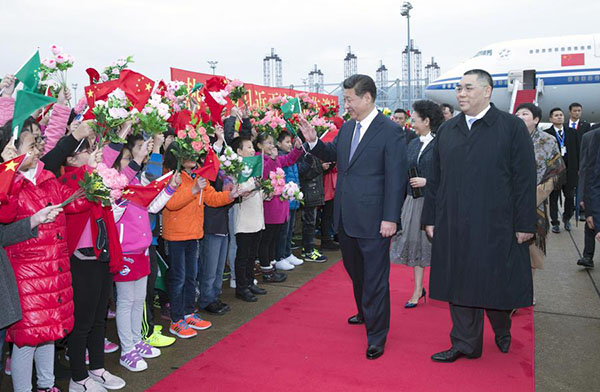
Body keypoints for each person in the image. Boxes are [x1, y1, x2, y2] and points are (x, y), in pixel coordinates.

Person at [422, 69, 537, 362]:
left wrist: (525, 223)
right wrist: (431, 218)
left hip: (496, 223)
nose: (461, 93)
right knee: (459, 283)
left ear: (487, 91)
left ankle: (502, 326)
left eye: (468, 88)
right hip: (454, 222)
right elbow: (435, 179)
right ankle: (465, 343)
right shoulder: (448, 131)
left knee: (495, 284)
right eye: (459, 88)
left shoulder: (510, 128)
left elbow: (524, 180)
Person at [299, 74, 407, 360]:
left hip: (375, 220)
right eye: (344, 99)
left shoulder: (389, 131)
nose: (345, 105)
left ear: (367, 97)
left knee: (375, 278)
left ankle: (377, 334)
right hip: (346, 218)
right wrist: (313, 142)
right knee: (356, 272)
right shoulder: (348, 128)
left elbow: (397, 178)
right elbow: (336, 155)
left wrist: (390, 218)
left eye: (349, 99)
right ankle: (364, 311)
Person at [390, 100, 443, 308]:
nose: (412, 123)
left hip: (434, 201)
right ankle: (417, 289)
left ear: (427, 121)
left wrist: (427, 182)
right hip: (413, 201)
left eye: (415, 119)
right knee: (417, 247)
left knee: (437, 247)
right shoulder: (412, 143)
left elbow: (448, 174)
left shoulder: (440, 143)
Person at [515, 103, 566, 303]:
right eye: (517, 113)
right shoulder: (507, 139)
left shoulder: (548, 141)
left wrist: (532, 199)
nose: (519, 116)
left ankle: (529, 290)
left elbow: (555, 173)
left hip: (536, 202)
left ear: (536, 119)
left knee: (531, 250)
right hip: (507, 202)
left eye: (524, 114)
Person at [256, 132, 303, 277]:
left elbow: (289, 159)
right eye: (268, 143)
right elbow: (264, 174)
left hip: (280, 206)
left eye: (272, 142)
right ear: (259, 146)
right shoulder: (259, 160)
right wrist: (273, 158)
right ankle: (266, 269)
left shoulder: (275, 158)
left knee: (273, 239)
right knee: (267, 239)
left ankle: (272, 265)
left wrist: (297, 148)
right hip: (269, 207)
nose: (271, 145)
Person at [544, 108, 579, 233]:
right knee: (553, 198)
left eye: (561, 115)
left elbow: (578, 151)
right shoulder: (547, 134)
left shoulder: (572, 133)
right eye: (556, 115)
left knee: (569, 197)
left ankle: (567, 218)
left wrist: (577, 169)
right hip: (554, 172)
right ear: (551, 119)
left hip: (570, 171)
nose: (559, 117)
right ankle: (555, 222)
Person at [577, 124, 600, 268]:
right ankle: (588, 255)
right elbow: (586, 169)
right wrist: (582, 196)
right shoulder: (591, 136)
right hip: (594, 191)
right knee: (590, 223)